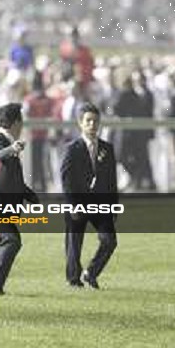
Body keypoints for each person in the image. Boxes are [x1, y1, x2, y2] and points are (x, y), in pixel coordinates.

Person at [60, 102, 118, 289]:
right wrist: (72, 205)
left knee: (109, 241)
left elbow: (111, 181)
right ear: (80, 123)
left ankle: (91, 273)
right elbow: (66, 180)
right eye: (88, 121)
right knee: (74, 243)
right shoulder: (72, 148)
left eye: (95, 121)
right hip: (77, 202)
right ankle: (73, 279)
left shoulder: (107, 149)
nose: (92, 125)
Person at [0, 103, 39, 295]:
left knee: (4, 243)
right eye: (21, 121)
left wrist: (33, 198)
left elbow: (13, 181)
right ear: (16, 122)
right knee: (11, 241)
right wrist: (12, 149)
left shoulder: (6, 141)